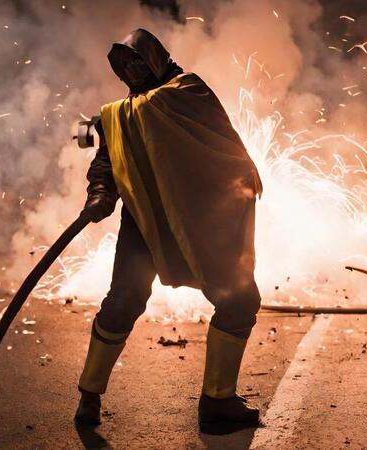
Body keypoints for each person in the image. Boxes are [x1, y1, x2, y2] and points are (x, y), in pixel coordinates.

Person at [76, 28, 263, 427]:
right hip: (144, 221)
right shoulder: (120, 115)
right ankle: (88, 395)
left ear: (156, 57)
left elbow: (223, 145)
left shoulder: (188, 91)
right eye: (124, 65)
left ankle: (217, 403)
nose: (132, 69)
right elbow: (106, 164)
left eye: (138, 59)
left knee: (239, 299)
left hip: (201, 221)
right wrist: (99, 192)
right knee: (124, 300)